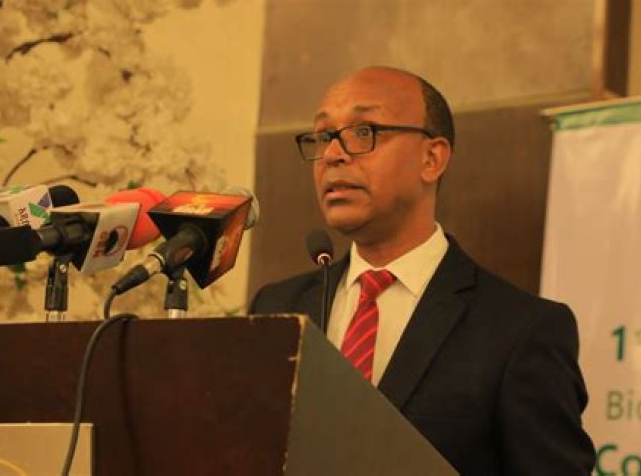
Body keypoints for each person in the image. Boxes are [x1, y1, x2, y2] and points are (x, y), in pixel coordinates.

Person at [249, 66, 595, 475]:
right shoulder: (277, 307)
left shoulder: (520, 330)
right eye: (323, 136)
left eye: (363, 131)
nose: (332, 155)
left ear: (431, 159)